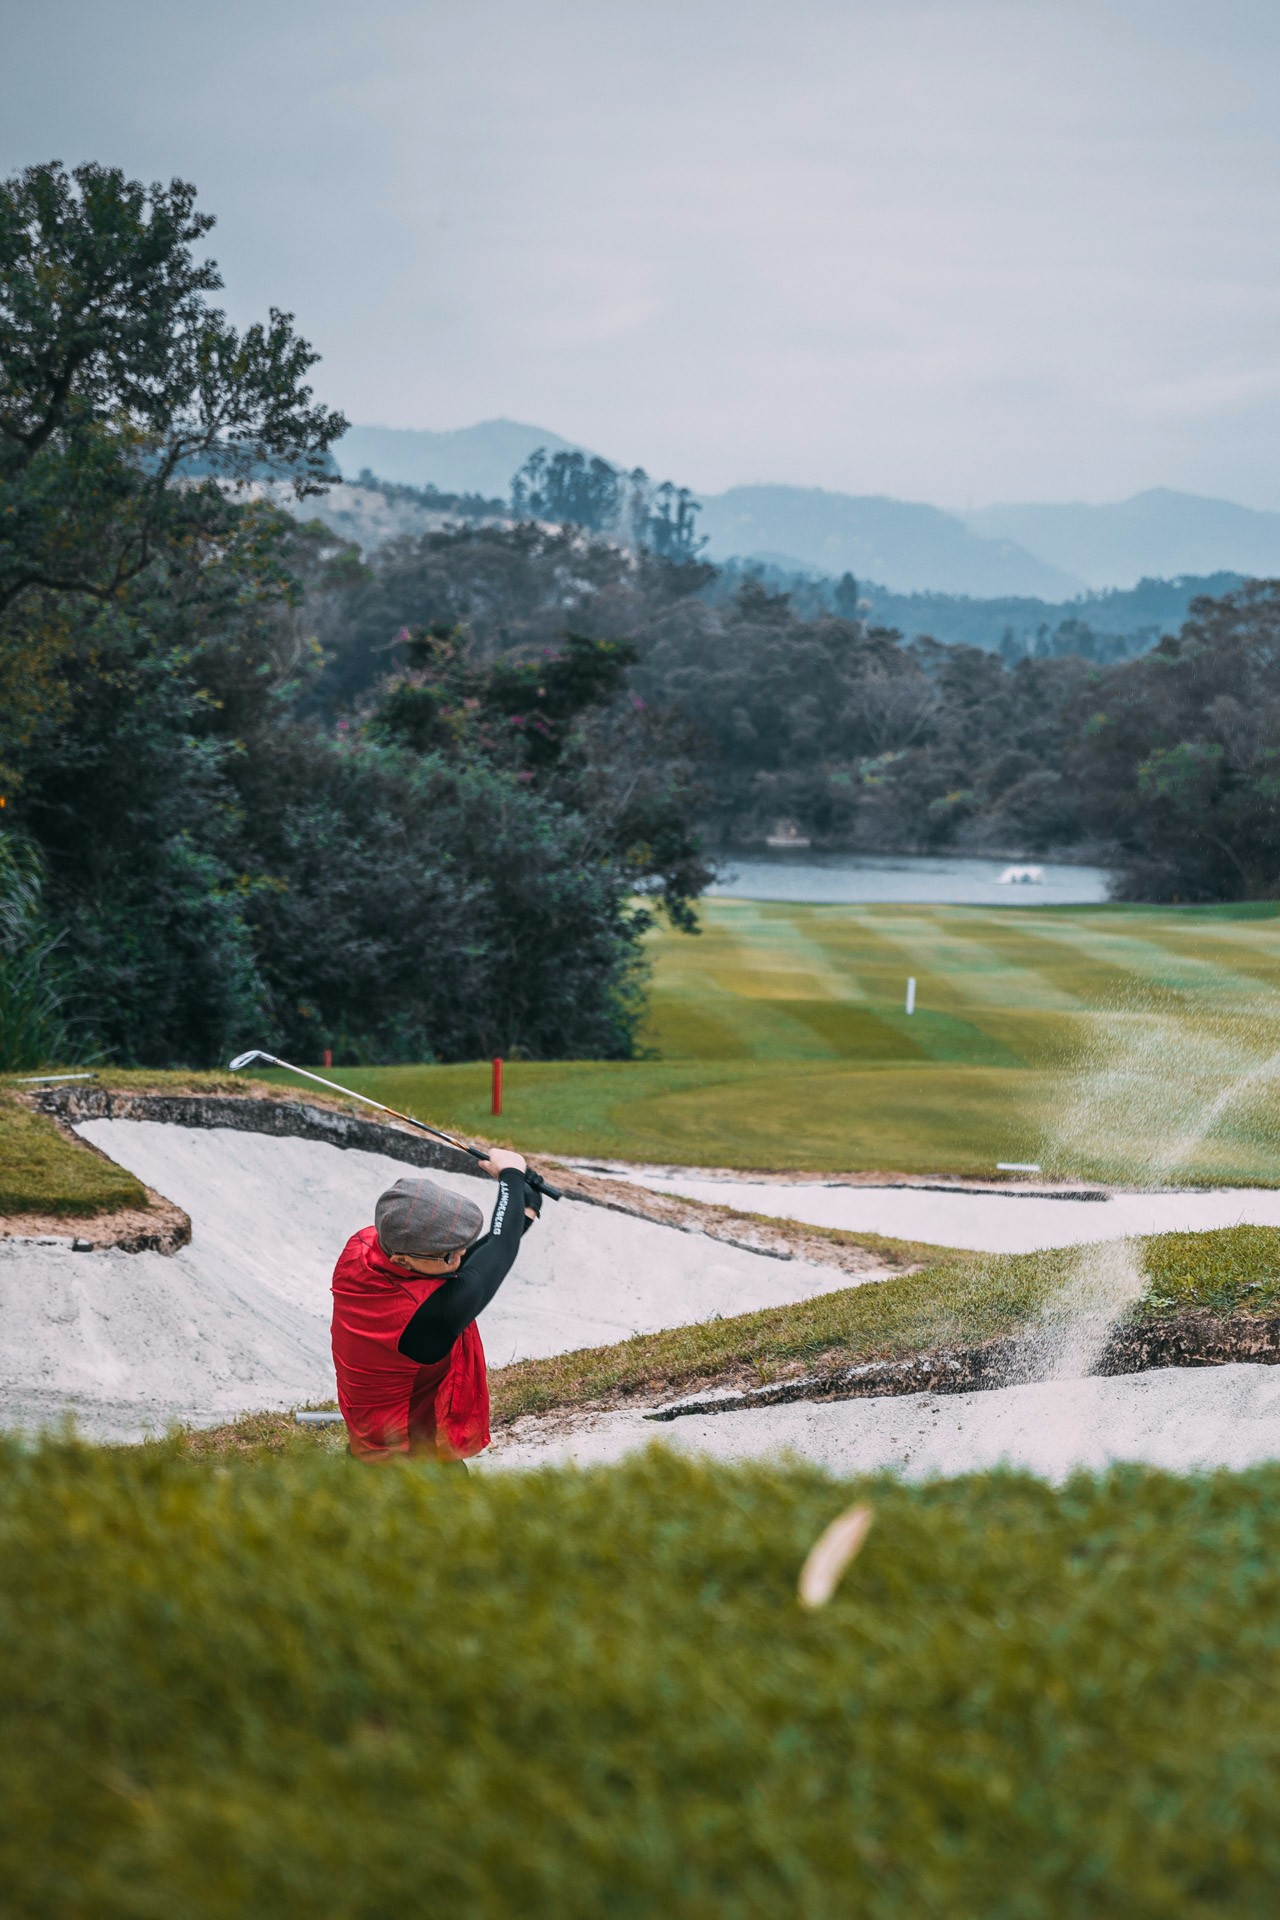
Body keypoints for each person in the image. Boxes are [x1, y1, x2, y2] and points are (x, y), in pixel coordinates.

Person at [330, 1147, 538, 1463]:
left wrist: (520, 1213)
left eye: (462, 1247)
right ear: (402, 1259)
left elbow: (476, 1256)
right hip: (408, 1465)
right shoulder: (423, 1318)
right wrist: (510, 1176)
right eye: (449, 1255)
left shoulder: (363, 1247)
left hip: (372, 1445)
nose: (460, 1258)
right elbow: (494, 1258)